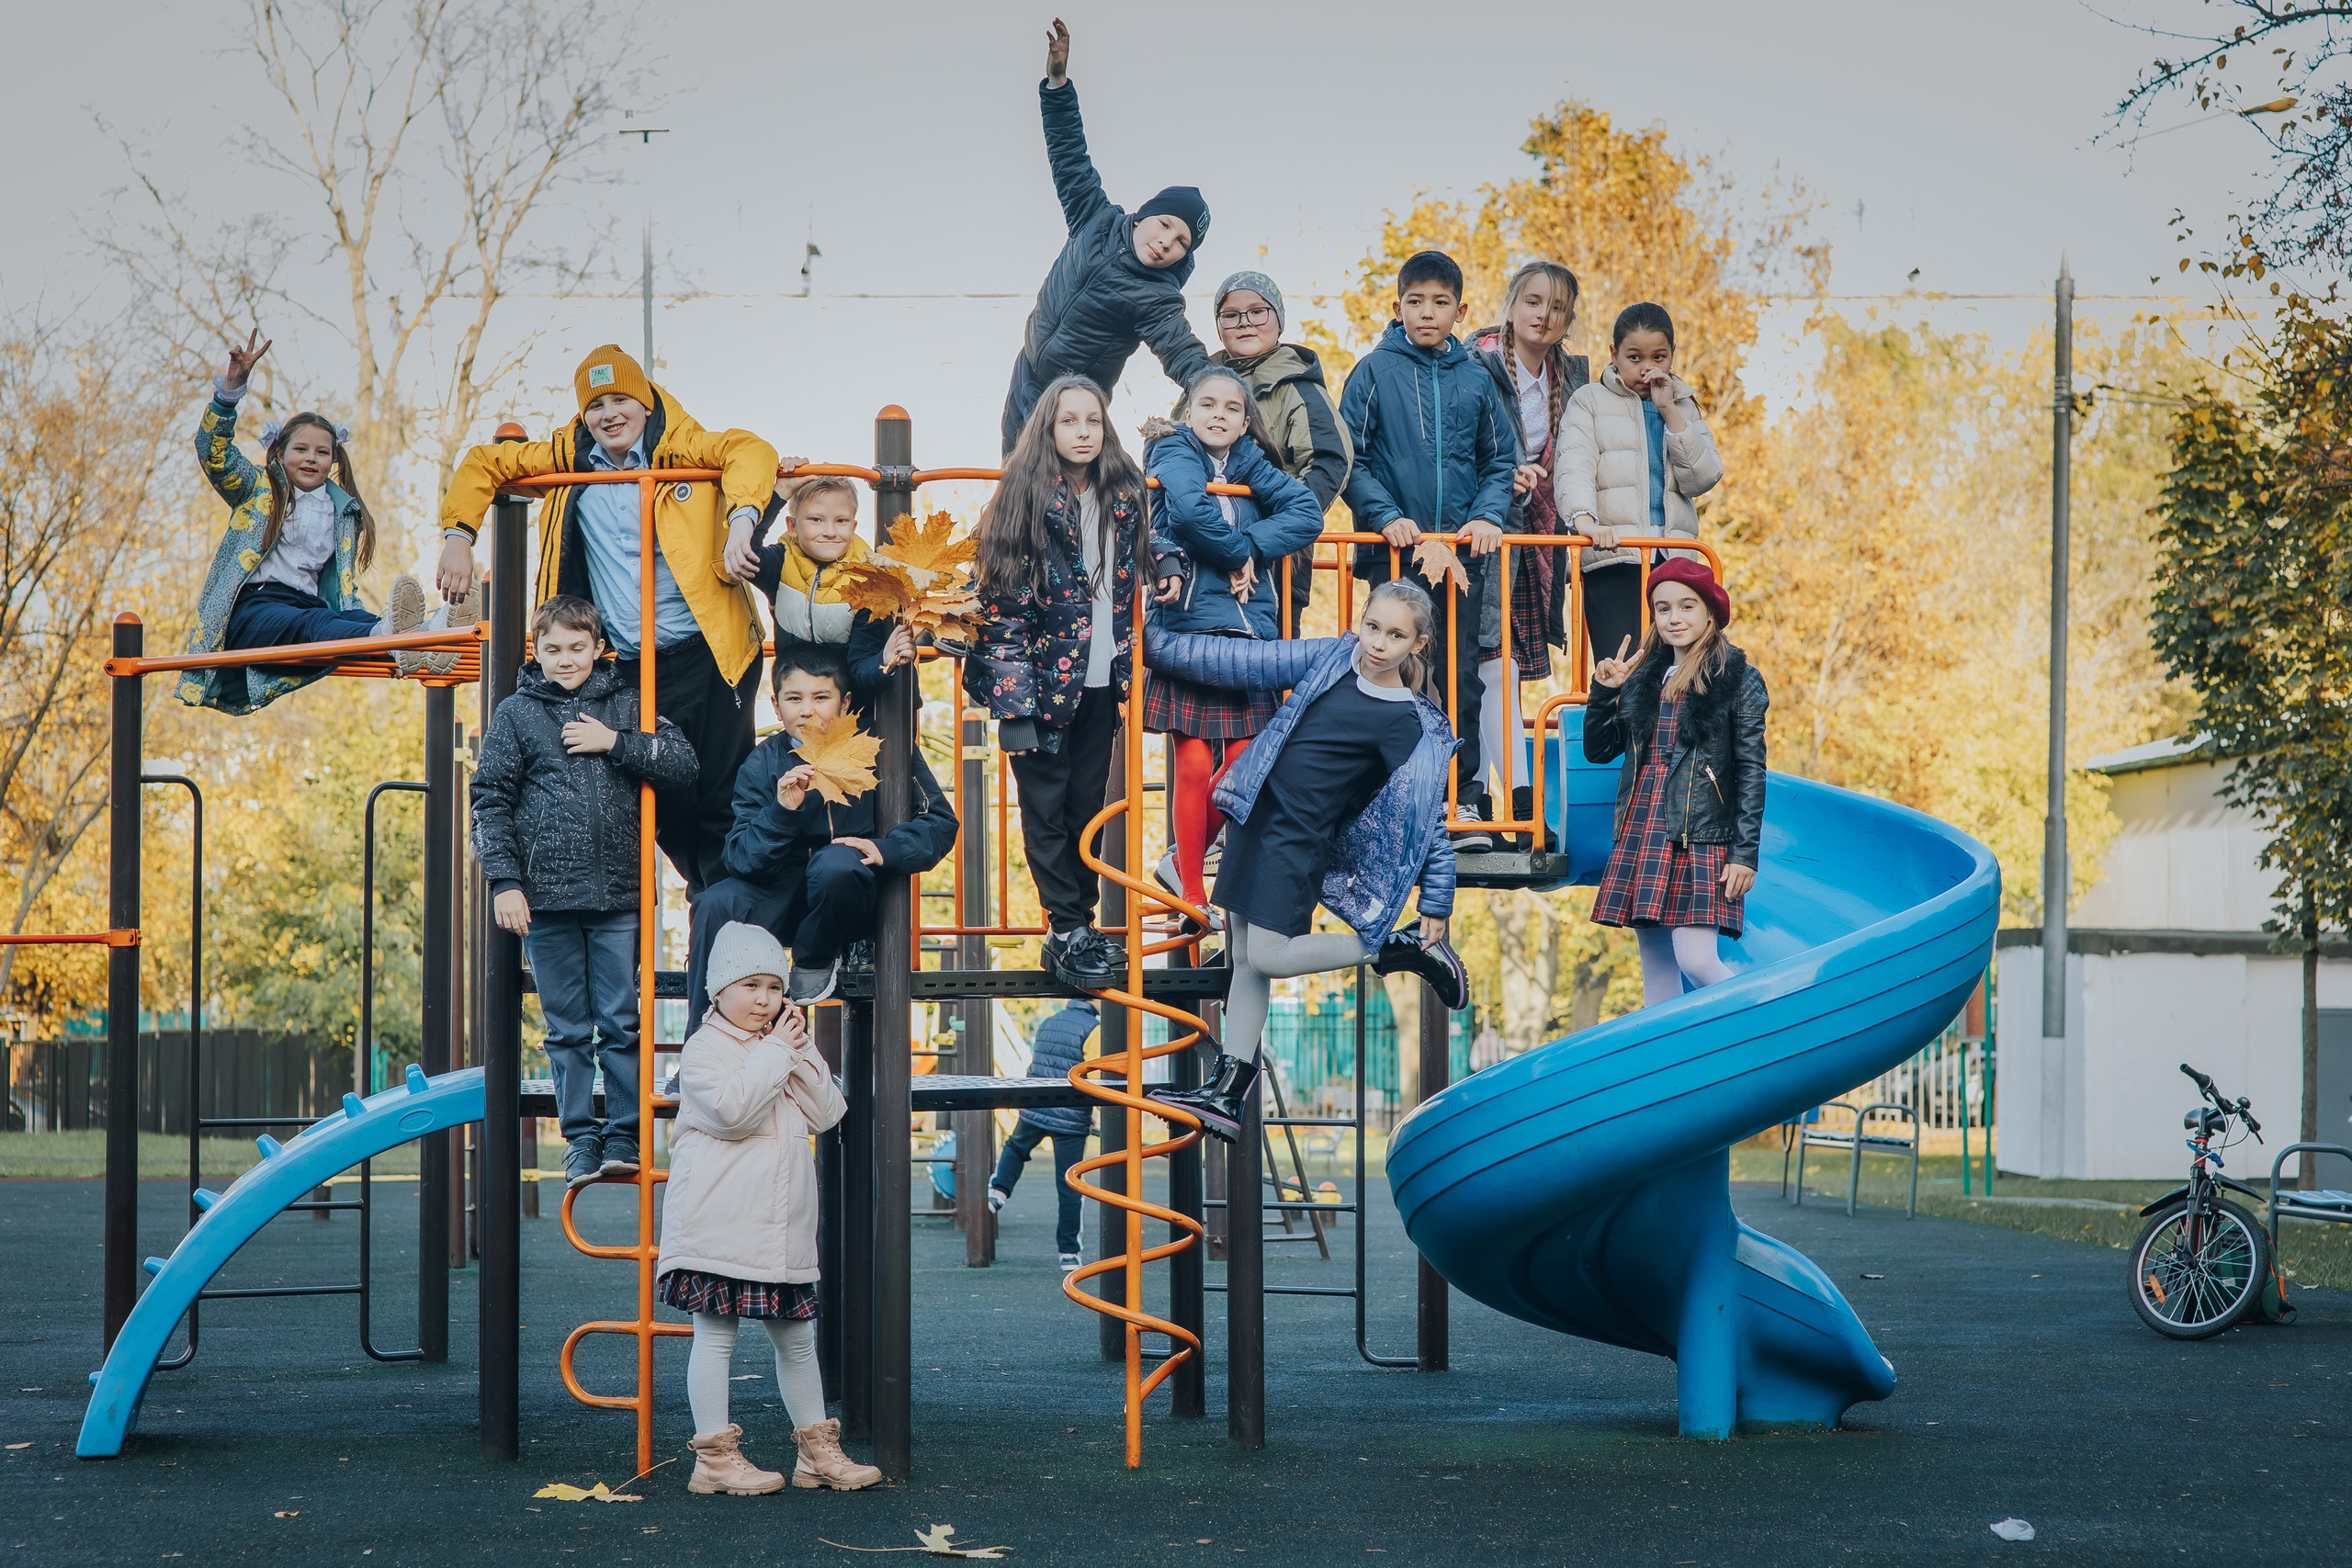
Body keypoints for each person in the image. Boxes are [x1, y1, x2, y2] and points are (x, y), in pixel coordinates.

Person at [437, 344, 780, 897]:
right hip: (633, 664)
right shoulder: (568, 458)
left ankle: (724, 940)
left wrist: (741, 521)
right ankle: (704, 905)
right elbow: (486, 462)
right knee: (657, 797)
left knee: (723, 795)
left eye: (621, 399)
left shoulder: (683, 447)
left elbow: (751, 450)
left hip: (710, 653)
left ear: (644, 403)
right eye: (596, 405)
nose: (609, 414)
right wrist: (458, 536)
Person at [1141, 581, 1471, 1141]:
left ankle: (1398, 948)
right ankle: (1229, 1088)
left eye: (1396, 636)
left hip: (1297, 840)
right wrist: (1150, 637)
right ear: (1360, 621)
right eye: (1373, 627)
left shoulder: (1409, 722)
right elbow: (1241, 660)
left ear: (1418, 644)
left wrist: (1437, 899)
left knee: (1269, 956)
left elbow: (1427, 822)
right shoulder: (1332, 657)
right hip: (1254, 819)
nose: (1379, 644)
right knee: (1244, 959)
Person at [469, 595, 699, 1190]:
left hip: (618, 894)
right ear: (536, 652)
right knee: (567, 1026)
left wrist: (614, 742)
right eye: (553, 649)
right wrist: (505, 881)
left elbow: (681, 762)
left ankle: (624, 1132)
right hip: (544, 901)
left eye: (577, 647)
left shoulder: (628, 701)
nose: (565, 658)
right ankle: (580, 1138)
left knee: (621, 1019)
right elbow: (489, 799)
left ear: (598, 647)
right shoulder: (518, 714)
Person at [657, 919, 878, 1495]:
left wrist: (798, 1051)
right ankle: (713, 1461)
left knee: (797, 1337)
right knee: (717, 1334)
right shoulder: (705, 1048)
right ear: (719, 991)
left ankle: (815, 1452)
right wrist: (778, 1049)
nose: (765, 1000)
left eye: (775, 988)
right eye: (751, 986)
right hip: (718, 1223)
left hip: (778, 1229)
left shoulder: (777, 1047)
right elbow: (733, 1113)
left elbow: (829, 1111)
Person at [964, 375, 1148, 993]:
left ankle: (1077, 927)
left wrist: (1168, 560)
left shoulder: (1123, 493)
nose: (1082, 432)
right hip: (1040, 689)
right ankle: (1067, 927)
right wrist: (1012, 706)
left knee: (1082, 808)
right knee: (1045, 811)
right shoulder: (1022, 498)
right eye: (1069, 421)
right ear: (1047, 428)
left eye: (1092, 421)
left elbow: (1155, 543)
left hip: (1100, 682)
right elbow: (1003, 611)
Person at [183, 329, 477, 713]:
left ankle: (429, 633)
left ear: (333, 460)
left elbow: (338, 588)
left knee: (351, 617)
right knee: (316, 628)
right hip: (254, 612)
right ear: (278, 452)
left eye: (322, 452)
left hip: (307, 607)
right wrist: (230, 392)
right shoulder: (259, 489)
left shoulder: (341, 511)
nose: (310, 458)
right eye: (300, 449)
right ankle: (391, 636)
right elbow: (213, 453)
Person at [1338, 251, 1517, 852]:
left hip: (1462, 556)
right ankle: (1391, 798)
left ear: (1460, 310)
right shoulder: (1372, 373)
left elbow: (1499, 459)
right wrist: (1385, 515)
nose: (1427, 312)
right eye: (1415, 301)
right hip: (1396, 556)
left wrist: (1489, 514)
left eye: (1441, 302)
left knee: (1459, 672)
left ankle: (1459, 797)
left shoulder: (1477, 379)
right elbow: (1350, 458)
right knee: (1395, 671)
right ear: (1397, 307)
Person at [1143, 367, 1325, 920]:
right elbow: (1189, 512)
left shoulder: (1249, 463)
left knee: (1250, 759)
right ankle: (1193, 888)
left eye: (1230, 408)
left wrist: (1250, 546)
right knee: (1194, 761)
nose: (1218, 415)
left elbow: (1306, 512)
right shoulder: (1172, 451)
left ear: (1246, 421)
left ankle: (1183, 858)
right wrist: (1237, 555)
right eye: (1207, 405)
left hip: (1248, 632)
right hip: (1190, 626)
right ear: (1188, 412)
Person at [687, 644, 958, 1010]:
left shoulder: (878, 746)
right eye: (794, 698)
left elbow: (939, 821)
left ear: (845, 703)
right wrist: (781, 811)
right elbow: (742, 860)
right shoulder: (763, 761)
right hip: (782, 894)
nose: (807, 711)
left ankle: (815, 958)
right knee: (713, 902)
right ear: (776, 703)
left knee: (835, 863)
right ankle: (703, 1038)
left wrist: (887, 849)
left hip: (848, 897)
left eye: (821, 697)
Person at [1000, 18, 1213, 453]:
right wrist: (1057, 83)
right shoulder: (1093, 217)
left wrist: (1213, 388)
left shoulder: (1155, 296)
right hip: (1028, 370)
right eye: (1166, 224)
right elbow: (1069, 155)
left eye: (1181, 244)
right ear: (1143, 216)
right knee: (1013, 477)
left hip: (1073, 400)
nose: (1167, 242)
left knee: (1052, 487)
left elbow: (1181, 349)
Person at [1582, 558, 1765, 1005]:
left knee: (1696, 960)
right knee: (1657, 967)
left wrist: (1744, 854)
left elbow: (1751, 770)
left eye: (1687, 606)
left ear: (1710, 614)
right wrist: (1606, 691)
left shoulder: (1736, 678)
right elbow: (1599, 750)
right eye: (1663, 609)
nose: (1674, 618)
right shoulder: (1644, 677)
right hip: (1644, 824)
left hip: (1700, 832)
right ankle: (1665, 1063)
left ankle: (1765, 1021)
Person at [1467, 263, 1589, 843]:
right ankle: (1510, 803)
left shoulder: (1573, 378)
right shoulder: (1478, 362)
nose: (1544, 314)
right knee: (1491, 667)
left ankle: (1513, 802)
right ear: (1512, 304)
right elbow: (1459, 443)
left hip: (1533, 534)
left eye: (1558, 307)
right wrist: (1497, 478)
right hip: (1484, 528)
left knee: (1505, 672)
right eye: (1534, 301)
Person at [1555, 302, 1724, 666]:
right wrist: (1585, 521)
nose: (1647, 368)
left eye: (1658, 357)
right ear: (1613, 354)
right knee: (1623, 665)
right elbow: (1574, 464)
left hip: (1672, 556)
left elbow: (1703, 477)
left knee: (1677, 669)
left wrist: (1670, 412)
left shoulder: (1683, 406)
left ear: (1672, 356)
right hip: (1615, 555)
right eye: (1634, 357)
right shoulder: (1589, 400)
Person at [1187, 271, 1352, 626]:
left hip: (1274, 558)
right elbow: (1173, 452)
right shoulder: (1201, 386)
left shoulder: (1298, 389)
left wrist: (1274, 529)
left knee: (1268, 661)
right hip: (1201, 545)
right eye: (1231, 315)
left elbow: (1330, 460)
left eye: (1258, 311)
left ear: (1278, 321)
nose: (1245, 323)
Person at [746, 468, 913, 711]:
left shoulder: (869, 581)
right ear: (792, 526)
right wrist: (779, 494)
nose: (830, 531)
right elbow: (743, 549)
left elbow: (860, 666)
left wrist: (883, 661)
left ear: (853, 526)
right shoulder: (781, 562)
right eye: (816, 520)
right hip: (799, 705)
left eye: (841, 521)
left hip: (855, 711)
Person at [986, 998, 1099, 1271]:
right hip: (1071, 1115)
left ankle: (1000, 1189)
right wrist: (1094, 1113)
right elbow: (1095, 1075)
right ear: (1094, 1001)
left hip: (1037, 1103)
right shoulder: (1094, 1029)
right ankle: (1069, 1253)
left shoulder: (1049, 1022)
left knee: (1016, 1146)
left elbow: (1039, 1062)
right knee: (1070, 1185)